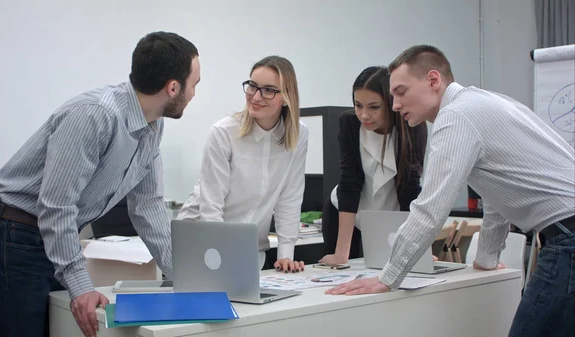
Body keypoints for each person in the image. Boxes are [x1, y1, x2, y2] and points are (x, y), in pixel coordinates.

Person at [325, 45, 575, 336]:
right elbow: (497, 194)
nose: (394, 104)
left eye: (401, 92)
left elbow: (430, 209)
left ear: (433, 81)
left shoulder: (456, 116)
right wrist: (486, 259)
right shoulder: (484, 102)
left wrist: (389, 277)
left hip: (567, 239)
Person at [0, 31, 201, 337]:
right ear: (173, 87)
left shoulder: (152, 125)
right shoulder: (95, 115)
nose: (194, 94)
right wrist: (81, 285)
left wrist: (182, 278)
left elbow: (147, 206)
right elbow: (56, 206)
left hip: (50, 237)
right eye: (194, 85)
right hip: (15, 236)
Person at [177, 55, 308, 273]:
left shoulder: (298, 134)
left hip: (249, 246)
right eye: (253, 86)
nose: (256, 96)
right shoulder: (224, 132)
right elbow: (211, 205)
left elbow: (290, 196)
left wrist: (286, 255)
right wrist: (219, 256)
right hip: (202, 238)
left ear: (286, 97)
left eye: (268, 90)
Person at [318, 66, 427, 266]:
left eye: (374, 107)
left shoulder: (411, 126)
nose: (364, 115)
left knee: (391, 273)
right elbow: (349, 183)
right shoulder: (349, 124)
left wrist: (418, 248)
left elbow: (410, 190)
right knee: (343, 273)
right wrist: (341, 253)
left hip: (390, 217)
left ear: (391, 103)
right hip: (344, 212)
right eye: (358, 105)